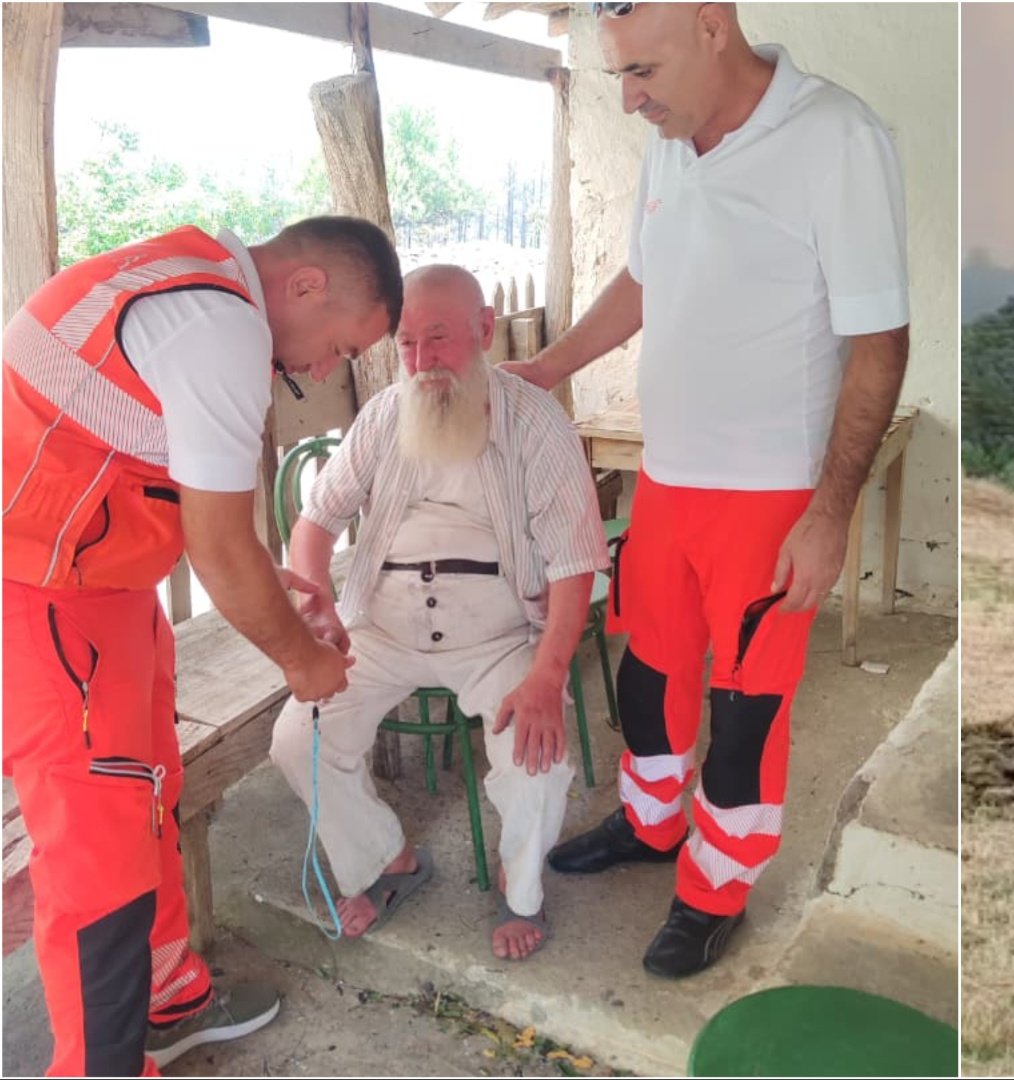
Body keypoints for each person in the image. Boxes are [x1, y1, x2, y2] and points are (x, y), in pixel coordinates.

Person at [503, 2, 911, 978]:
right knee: (649, 674)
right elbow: (644, 282)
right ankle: (650, 825)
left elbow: (880, 343)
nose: (630, 101)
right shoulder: (672, 142)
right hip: (668, 477)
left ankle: (715, 887)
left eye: (642, 71)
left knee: (745, 708)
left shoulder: (837, 139)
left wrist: (830, 513)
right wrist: (549, 368)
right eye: (620, 77)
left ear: (712, 24)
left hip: (769, 498)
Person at [2, 215, 400, 1075]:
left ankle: (169, 996)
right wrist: (304, 661)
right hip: (40, 598)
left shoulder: (198, 289)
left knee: (149, 790)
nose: (323, 371)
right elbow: (218, 549)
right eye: (338, 347)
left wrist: (272, 587)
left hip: (102, 586)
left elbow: (197, 510)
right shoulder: (219, 326)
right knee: (96, 861)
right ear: (306, 285)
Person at [267, 265, 608, 962]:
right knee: (299, 737)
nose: (422, 361)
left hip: (497, 631)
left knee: (536, 758)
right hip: (382, 623)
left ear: (483, 331)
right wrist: (314, 601)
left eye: (440, 338)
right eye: (407, 343)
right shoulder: (384, 415)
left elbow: (575, 562)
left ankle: (521, 887)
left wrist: (546, 677)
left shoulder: (535, 421)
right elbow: (317, 519)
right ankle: (386, 859)